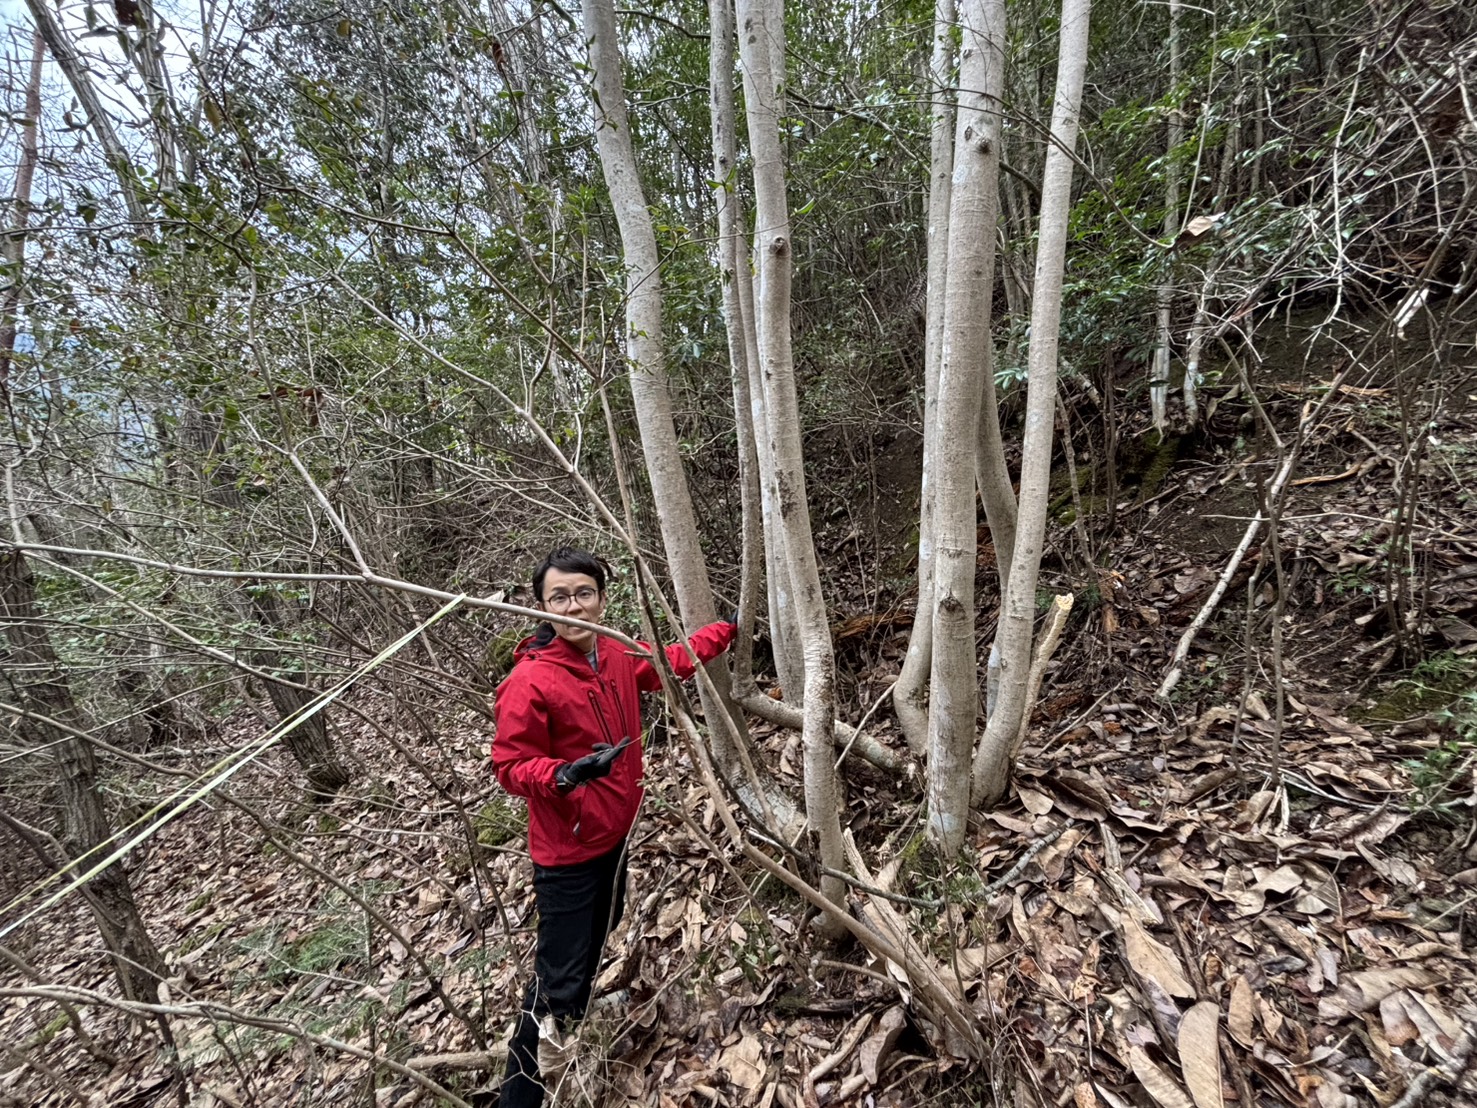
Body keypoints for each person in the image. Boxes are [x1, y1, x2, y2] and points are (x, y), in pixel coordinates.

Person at [491, 547, 736, 1107]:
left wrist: (724, 631)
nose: (573, 605)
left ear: (601, 599)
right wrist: (564, 774)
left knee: (604, 931)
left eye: (583, 593)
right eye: (560, 597)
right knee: (559, 979)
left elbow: (668, 662)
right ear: (543, 607)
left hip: (616, 834)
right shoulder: (530, 680)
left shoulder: (617, 654)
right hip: (567, 852)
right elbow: (508, 765)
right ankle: (521, 1093)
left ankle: (571, 1023)